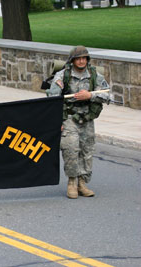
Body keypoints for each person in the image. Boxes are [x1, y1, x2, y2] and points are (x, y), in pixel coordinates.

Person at [47, 45, 110, 199]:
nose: (81, 61)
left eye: (84, 58)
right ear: (73, 60)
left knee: (87, 151)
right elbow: (52, 97)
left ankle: (83, 183)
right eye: (78, 58)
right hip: (69, 118)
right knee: (71, 150)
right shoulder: (63, 75)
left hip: (87, 119)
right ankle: (72, 183)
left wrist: (90, 96)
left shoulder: (95, 76)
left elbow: (107, 96)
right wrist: (57, 120)